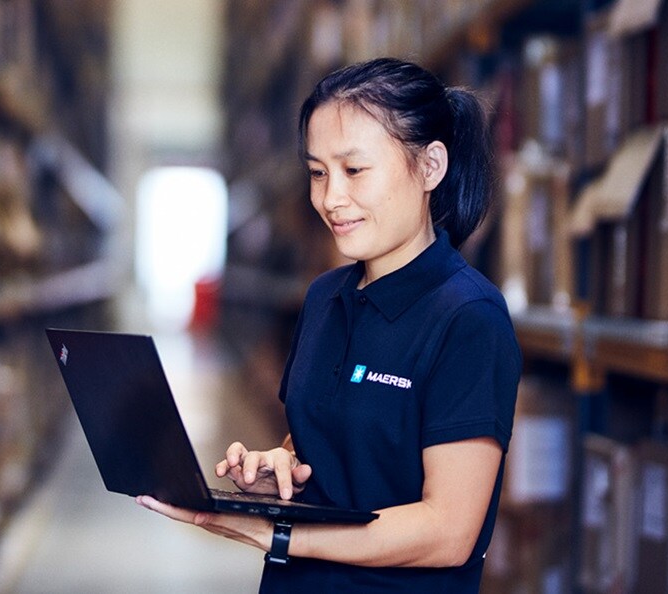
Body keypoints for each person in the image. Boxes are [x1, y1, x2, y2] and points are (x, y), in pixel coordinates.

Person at [138, 57, 521, 593]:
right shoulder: (323, 299)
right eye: (318, 173)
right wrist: (282, 465)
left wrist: (279, 534)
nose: (330, 198)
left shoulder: (468, 318)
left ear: (431, 166)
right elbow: (326, 443)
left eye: (354, 170)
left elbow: (448, 531)